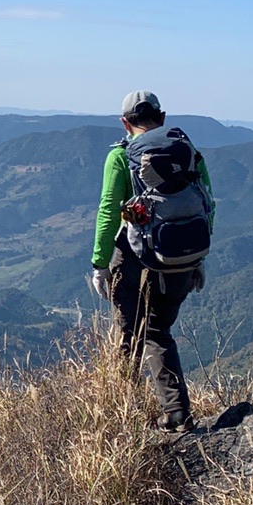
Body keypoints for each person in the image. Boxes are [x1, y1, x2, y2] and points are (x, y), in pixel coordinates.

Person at [90, 90, 214, 431]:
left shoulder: (120, 156)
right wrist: (198, 259)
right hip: (181, 257)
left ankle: (119, 415)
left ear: (125, 123)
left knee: (128, 335)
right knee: (159, 331)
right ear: (162, 118)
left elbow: (108, 211)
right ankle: (177, 414)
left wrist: (100, 263)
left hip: (130, 258)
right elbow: (207, 203)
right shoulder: (188, 153)